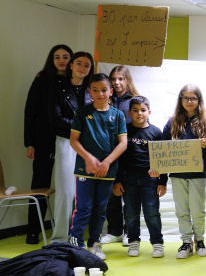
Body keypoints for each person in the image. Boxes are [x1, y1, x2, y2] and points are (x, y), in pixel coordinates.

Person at [67, 72, 128, 259]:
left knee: (101, 209)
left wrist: (107, 162)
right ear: (89, 92)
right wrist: (88, 158)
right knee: (83, 207)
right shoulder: (82, 113)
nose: (100, 94)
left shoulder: (117, 115)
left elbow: (123, 143)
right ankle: (75, 245)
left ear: (110, 91)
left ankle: (94, 243)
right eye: (95, 90)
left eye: (104, 90)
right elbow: (74, 140)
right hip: (86, 170)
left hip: (107, 171)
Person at [23, 44, 72, 244]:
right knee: (40, 185)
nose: (61, 60)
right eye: (57, 57)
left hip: (69, 141)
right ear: (51, 60)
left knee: (68, 187)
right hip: (43, 140)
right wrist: (30, 144)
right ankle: (33, 230)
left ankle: (68, 230)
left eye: (65, 56)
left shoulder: (74, 81)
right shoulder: (41, 80)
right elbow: (30, 112)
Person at [162, 84, 206, 259]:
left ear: (199, 100)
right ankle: (186, 242)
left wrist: (205, 145)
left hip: (198, 174)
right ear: (181, 100)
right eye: (186, 98)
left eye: (193, 98)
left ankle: (200, 240)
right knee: (182, 210)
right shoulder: (172, 122)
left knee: (198, 210)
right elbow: (162, 149)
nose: (189, 101)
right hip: (177, 174)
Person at [112, 96, 167, 258]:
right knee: (130, 212)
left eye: (143, 110)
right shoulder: (123, 130)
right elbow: (117, 157)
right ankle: (133, 242)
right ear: (129, 112)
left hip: (150, 180)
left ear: (149, 112)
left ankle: (157, 243)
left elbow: (163, 159)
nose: (139, 113)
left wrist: (162, 182)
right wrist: (116, 181)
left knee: (151, 212)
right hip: (127, 179)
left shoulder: (156, 132)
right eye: (135, 110)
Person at [48, 51, 92, 243]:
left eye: (87, 65)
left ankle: (86, 236)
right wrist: (79, 124)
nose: (83, 68)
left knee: (90, 190)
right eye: (79, 63)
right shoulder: (57, 88)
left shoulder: (93, 89)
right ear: (71, 65)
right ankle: (59, 237)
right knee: (66, 190)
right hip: (66, 140)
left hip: (90, 143)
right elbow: (55, 119)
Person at [101, 65, 141, 245]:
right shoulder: (105, 100)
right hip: (109, 153)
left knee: (130, 195)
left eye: (120, 79)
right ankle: (115, 231)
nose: (117, 83)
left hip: (129, 154)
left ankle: (129, 233)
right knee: (111, 194)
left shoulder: (134, 101)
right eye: (114, 79)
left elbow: (142, 124)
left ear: (127, 80)